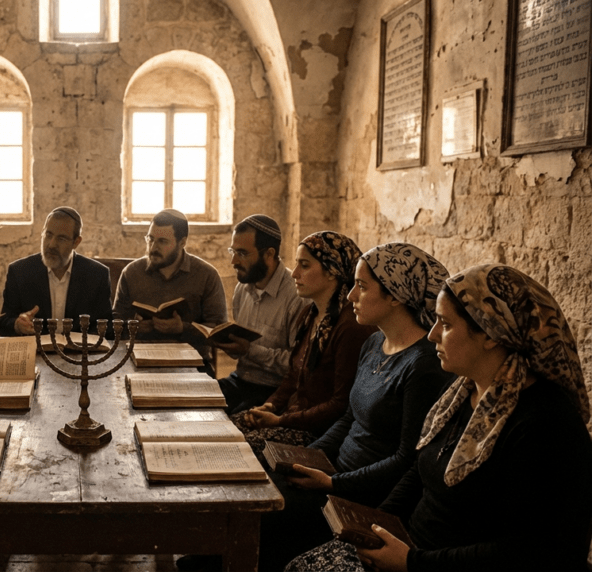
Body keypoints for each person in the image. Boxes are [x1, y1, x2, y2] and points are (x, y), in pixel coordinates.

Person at [287, 264, 592, 572]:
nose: (432, 335)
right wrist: (374, 525)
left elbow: (530, 550)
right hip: (414, 549)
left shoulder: (545, 425)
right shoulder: (461, 391)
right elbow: (420, 469)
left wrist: (410, 561)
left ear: (490, 333)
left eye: (445, 324)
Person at [254, 243, 455, 571]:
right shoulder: (374, 342)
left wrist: (333, 484)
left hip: (363, 493)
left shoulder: (423, 366)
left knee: (266, 514)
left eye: (361, 286)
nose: (349, 297)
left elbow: (406, 460)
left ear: (395, 295)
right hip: (333, 473)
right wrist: (305, 460)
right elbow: (349, 417)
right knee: (260, 487)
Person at [234, 231, 375, 450]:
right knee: (223, 429)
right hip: (291, 417)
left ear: (332, 271)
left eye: (305, 265)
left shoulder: (349, 327)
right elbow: (293, 375)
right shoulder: (310, 314)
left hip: (317, 432)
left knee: (239, 447)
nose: (294, 273)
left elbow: (340, 405)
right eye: (296, 264)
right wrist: (270, 406)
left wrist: (280, 421)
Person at [214, 215, 311, 413]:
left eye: (242, 253)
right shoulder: (242, 289)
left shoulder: (296, 297)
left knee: (230, 419)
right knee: (197, 398)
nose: (233, 261)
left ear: (269, 254)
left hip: (274, 391)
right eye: (233, 251)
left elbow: (299, 365)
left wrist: (249, 350)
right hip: (240, 379)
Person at [112, 209, 227, 358]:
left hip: (192, 363)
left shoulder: (207, 275)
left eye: (162, 241)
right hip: (141, 359)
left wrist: (182, 328)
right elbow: (115, 320)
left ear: (182, 242)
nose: (153, 247)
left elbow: (219, 330)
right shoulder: (131, 272)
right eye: (150, 239)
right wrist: (133, 326)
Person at [0, 206, 112, 337]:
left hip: (79, 349)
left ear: (76, 242)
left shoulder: (97, 275)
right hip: (36, 349)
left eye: (61, 239)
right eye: (48, 235)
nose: (51, 245)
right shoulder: (19, 272)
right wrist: (18, 325)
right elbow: (3, 325)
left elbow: (107, 327)